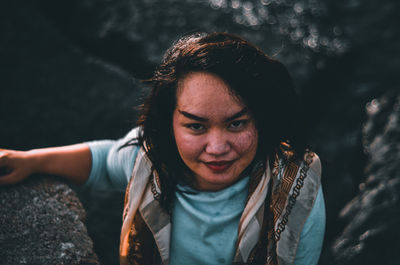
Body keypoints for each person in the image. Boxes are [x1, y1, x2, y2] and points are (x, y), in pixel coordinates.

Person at [0, 32, 325, 265]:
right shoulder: (151, 158)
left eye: (236, 123)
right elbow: (101, 160)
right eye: (196, 126)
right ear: (169, 123)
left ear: (261, 120)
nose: (217, 147)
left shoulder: (296, 191)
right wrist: (30, 161)